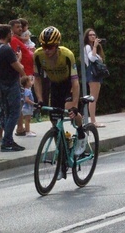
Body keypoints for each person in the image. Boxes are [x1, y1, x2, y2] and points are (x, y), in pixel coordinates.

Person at [33, 26, 87, 171]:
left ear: (57, 46)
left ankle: (81, 134)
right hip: (55, 85)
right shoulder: (38, 55)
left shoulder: (67, 55)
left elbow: (75, 82)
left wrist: (75, 105)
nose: (46, 50)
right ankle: (64, 148)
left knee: (70, 110)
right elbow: (37, 79)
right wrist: (39, 99)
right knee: (54, 120)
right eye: (44, 46)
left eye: (50, 47)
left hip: (69, 84)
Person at [0, 23, 28, 152]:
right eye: (11, 33)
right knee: (14, 112)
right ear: (7, 34)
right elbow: (18, 67)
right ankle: (7, 141)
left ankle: (8, 139)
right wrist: (19, 60)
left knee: (7, 112)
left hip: (1, 84)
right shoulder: (6, 49)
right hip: (11, 84)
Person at [9, 19, 34, 137]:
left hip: (26, 73)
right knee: (22, 101)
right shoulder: (14, 40)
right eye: (17, 27)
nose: (20, 29)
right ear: (12, 29)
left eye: (20, 27)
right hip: (22, 75)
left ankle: (22, 127)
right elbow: (15, 58)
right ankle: (20, 127)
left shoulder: (18, 40)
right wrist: (23, 75)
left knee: (23, 101)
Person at [83, 28, 106, 127]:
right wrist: (95, 46)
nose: (93, 36)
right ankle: (92, 121)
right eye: (90, 35)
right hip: (92, 72)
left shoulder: (93, 47)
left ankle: (90, 119)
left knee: (94, 97)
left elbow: (100, 60)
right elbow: (91, 59)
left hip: (96, 73)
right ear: (87, 37)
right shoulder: (88, 47)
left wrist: (96, 47)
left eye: (94, 35)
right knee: (93, 97)